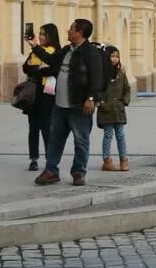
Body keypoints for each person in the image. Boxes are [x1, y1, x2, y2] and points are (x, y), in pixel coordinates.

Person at [34, 19, 104, 187]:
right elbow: (52, 61)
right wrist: (35, 46)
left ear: (79, 32)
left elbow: (97, 77)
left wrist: (92, 98)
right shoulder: (66, 50)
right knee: (55, 140)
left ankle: (78, 172)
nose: (68, 31)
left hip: (79, 107)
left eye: (71, 29)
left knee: (81, 141)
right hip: (60, 106)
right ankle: (51, 171)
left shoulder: (90, 53)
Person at [22, 23, 61, 172]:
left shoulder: (56, 51)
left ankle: (50, 159)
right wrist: (39, 69)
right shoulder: (36, 51)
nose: (40, 36)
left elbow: (53, 69)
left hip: (48, 93)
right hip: (33, 93)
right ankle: (33, 158)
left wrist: (37, 70)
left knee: (47, 127)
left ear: (51, 35)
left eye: (44, 34)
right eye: (40, 33)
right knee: (33, 127)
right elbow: (26, 67)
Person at [98, 45, 132, 172]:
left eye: (117, 56)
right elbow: (98, 89)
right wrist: (102, 103)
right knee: (108, 134)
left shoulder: (121, 73)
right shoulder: (101, 73)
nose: (115, 59)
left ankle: (124, 159)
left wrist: (124, 101)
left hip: (118, 109)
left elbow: (127, 89)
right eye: (112, 56)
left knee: (120, 134)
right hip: (106, 109)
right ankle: (106, 160)